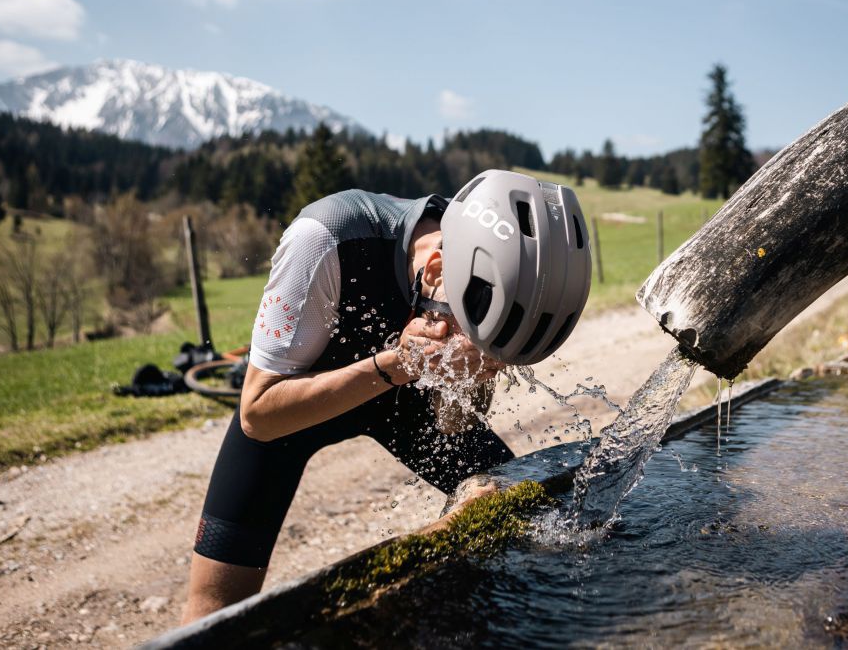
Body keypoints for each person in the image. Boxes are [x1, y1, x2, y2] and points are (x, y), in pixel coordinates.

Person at [181, 169, 592, 622]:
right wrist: (395, 364)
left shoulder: (478, 282)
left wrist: (471, 377)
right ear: (436, 272)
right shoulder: (325, 239)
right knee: (215, 612)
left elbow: (453, 425)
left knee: (515, 508)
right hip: (293, 408)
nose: (488, 366)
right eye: (483, 349)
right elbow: (257, 415)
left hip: (405, 402)